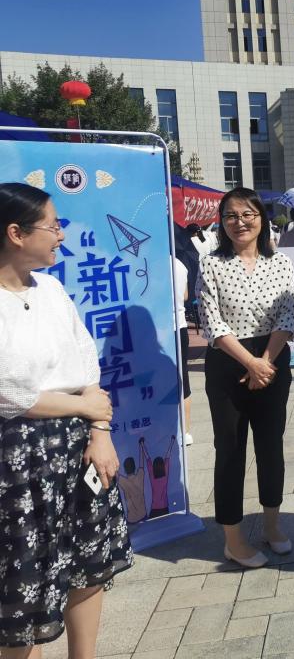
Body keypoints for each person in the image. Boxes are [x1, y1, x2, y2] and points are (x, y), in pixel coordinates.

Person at [0, 182, 133, 654]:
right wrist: (83, 407)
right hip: (17, 460)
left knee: (89, 564)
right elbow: (8, 394)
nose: (61, 235)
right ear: (16, 233)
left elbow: (86, 361)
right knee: (23, 581)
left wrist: (100, 431)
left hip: (78, 446)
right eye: (53, 226)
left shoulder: (53, 289)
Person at [198, 187, 294, 569]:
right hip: (228, 361)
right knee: (230, 449)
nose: (239, 222)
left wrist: (265, 363)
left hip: (272, 358)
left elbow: (286, 316)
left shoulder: (281, 262)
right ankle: (233, 539)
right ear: (222, 222)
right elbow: (211, 322)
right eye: (231, 215)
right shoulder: (211, 263)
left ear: (261, 218)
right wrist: (250, 363)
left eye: (247, 214)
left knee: (271, 446)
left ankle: (272, 525)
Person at [172, 254, 194, 445]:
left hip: (161, 328)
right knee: (183, 377)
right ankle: (186, 431)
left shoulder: (149, 264)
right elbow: (186, 296)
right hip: (180, 326)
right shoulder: (179, 264)